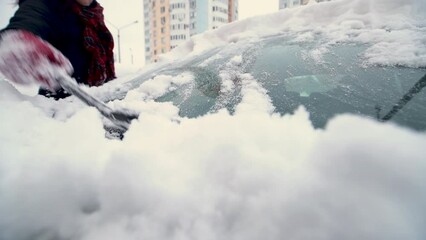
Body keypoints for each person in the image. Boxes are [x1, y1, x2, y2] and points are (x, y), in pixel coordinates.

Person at [0, 0, 116, 99]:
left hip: (102, 104)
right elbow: (30, 18)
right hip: (61, 112)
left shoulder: (94, 15)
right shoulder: (49, 4)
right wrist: (19, 42)